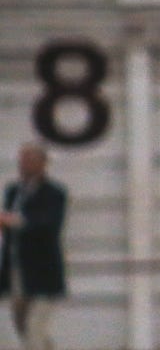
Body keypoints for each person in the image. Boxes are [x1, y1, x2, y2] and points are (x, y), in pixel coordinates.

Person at [1, 143, 67, 350]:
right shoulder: (13, 191)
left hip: (43, 272)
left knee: (34, 328)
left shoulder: (54, 193)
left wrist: (14, 221)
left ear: (43, 163)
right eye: (22, 161)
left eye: (29, 160)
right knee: (23, 327)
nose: (24, 165)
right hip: (17, 270)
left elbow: (48, 224)